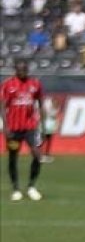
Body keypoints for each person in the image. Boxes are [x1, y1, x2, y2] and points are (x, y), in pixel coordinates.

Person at [1, 60, 45, 201]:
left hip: (30, 127)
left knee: (37, 154)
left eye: (25, 69)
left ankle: (32, 187)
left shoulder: (35, 84)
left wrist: (42, 125)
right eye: (20, 69)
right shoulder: (8, 85)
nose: (23, 71)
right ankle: (15, 189)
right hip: (13, 129)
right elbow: (2, 106)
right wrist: (5, 126)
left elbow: (41, 103)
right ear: (16, 70)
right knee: (13, 157)